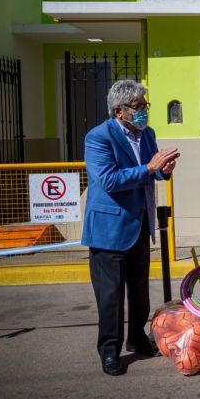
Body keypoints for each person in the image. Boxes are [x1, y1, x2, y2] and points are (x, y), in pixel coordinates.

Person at [82, 80, 179, 376]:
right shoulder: (98, 137)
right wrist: (150, 168)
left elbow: (153, 171)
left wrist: (163, 171)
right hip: (108, 230)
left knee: (139, 292)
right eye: (138, 107)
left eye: (144, 106)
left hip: (139, 224)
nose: (143, 112)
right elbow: (108, 180)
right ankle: (109, 351)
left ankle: (137, 338)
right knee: (111, 296)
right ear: (118, 110)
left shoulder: (147, 134)